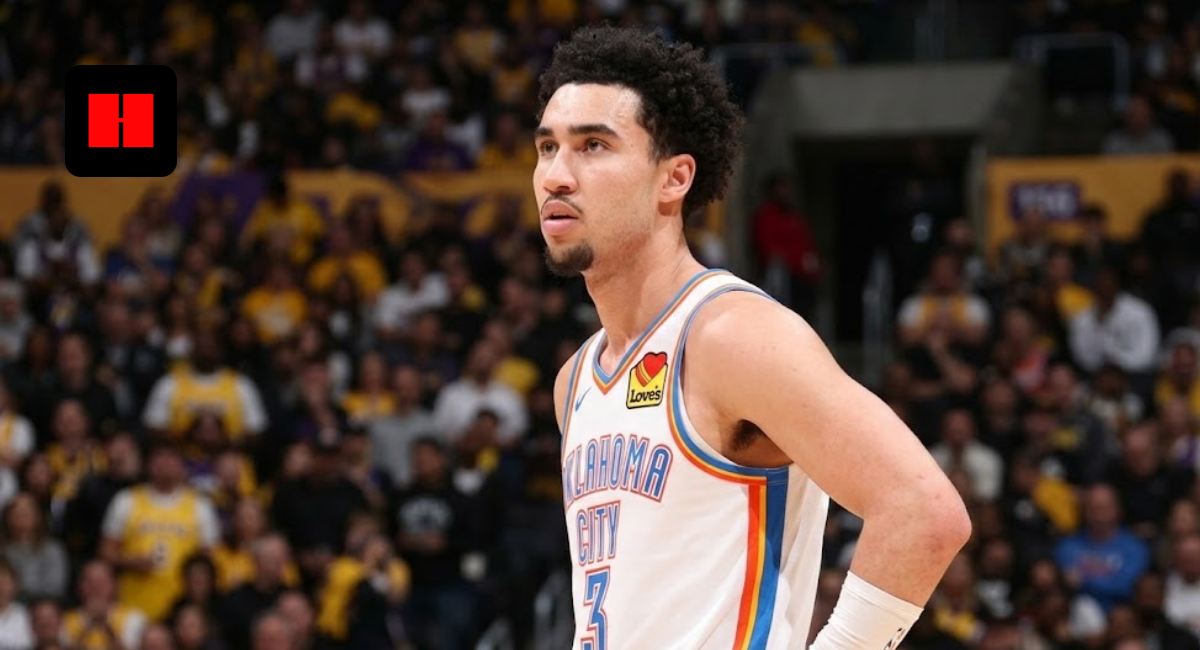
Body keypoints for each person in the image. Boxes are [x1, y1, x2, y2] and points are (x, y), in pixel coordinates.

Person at [536, 26, 972, 650]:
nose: (556, 174)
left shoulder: (731, 336)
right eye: (547, 147)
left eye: (593, 146)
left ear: (674, 179)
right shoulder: (574, 380)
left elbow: (923, 511)